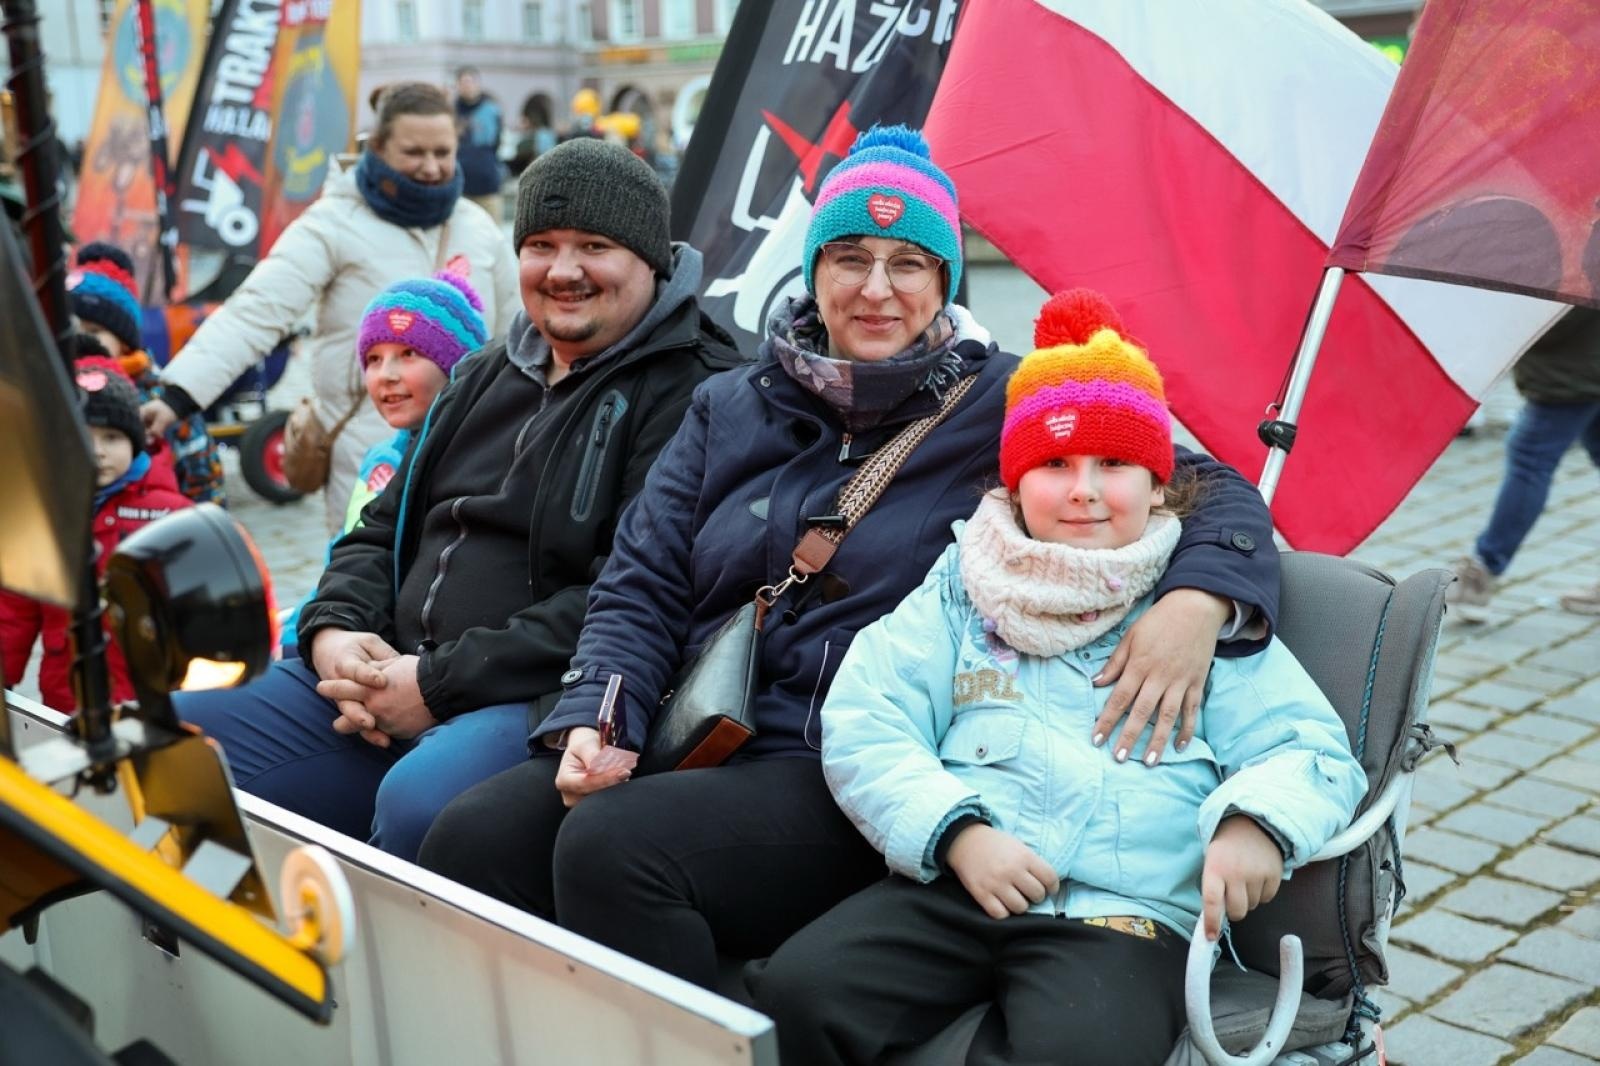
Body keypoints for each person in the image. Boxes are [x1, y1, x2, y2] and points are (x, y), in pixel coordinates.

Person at [418, 126, 1283, 989]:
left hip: (851, 761)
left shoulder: (1004, 403)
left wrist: (1198, 601)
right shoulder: (731, 402)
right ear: (813, 272)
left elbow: (1213, 490)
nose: (876, 290)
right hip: (696, 726)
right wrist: (604, 719)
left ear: (945, 278)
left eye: (907, 262)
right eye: (850, 260)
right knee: (473, 838)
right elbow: (638, 581)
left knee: (617, 850)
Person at [744, 290, 1368, 1065]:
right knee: (799, 993)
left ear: (1158, 484)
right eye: (1055, 464)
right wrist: (956, 832)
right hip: (963, 886)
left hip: (1123, 917)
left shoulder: (1195, 613)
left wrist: (1256, 824)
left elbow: (1307, 748)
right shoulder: (961, 591)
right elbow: (870, 715)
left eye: (1114, 465)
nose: (1083, 489)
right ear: (1012, 483)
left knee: (1080, 1050)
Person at [175, 138, 744, 862]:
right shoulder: (481, 373)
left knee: (422, 807)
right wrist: (334, 636)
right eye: (541, 244)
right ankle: (226, 947)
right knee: (174, 736)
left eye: (593, 245)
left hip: (536, 699)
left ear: (649, 260)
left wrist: (435, 685)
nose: (563, 270)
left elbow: (631, 593)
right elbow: (379, 528)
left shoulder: (698, 389)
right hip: (384, 673)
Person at [140, 82, 519, 534]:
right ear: (377, 148)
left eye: (443, 152)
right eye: (414, 152)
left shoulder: (476, 226)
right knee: (366, 583)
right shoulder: (333, 223)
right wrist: (178, 394)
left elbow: (518, 330)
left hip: (469, 450)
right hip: (367, 451)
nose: (432, 167)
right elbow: (256, 310)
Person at [278, 269, 488, 659]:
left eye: (408, 355)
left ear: (458, 367)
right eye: (374, 359)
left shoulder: (483, 458)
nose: (386, 376)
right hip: (356, 636)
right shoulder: (382, 461)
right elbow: (348, 554)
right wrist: (299, 630)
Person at [0, 352, 193, 710]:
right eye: (81, 437)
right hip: (71, 697)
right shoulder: (44, 518)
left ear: (135, 442)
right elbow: (13, 610)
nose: (98, 452)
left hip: (158, 695)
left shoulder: (171, 513)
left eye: (112, 437)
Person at [1448, 307, 1600, 620]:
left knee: (1530, 458)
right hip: (1582, 360)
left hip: (1576, 366)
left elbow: (1561, 302)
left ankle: (1481, 572)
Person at [68, 241, 226, 505]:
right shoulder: (54, 389)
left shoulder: (160, 396)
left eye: (94, 331)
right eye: (70, 329)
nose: (80, 340)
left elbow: (202, 475)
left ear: (124, 340)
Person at [453, 67, 506, 223]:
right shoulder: (450, 112)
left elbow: (497, 142)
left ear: (478, 84)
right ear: (457, 85)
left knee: (493, 234)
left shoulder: (492, 110)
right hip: (459, 186)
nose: (467, 86)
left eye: (471, 81)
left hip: (487, 184)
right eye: (463, 82)